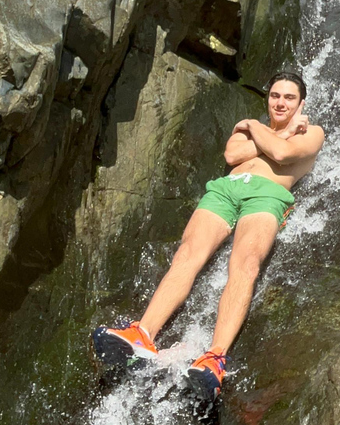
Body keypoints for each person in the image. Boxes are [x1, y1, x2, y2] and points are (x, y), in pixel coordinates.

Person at [92, 72, 325, 401]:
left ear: (301, 103)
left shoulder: (313, 133)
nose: (281, 102)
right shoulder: (255, 127)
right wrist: (276, 131)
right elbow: (232, 156)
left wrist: (262, 134)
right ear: (267, 99)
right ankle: (142, 333)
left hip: (267, 195)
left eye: (289, 97)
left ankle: (214, 358)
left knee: (245, 263)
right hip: (225, 190)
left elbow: (283, 155)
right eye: (275, 95)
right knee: (187, 254)